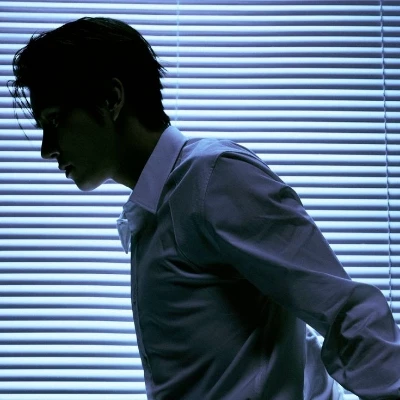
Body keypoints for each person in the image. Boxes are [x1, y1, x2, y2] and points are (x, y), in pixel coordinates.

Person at [8, 16, 400, 400]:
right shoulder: (154, 210)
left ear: (111, 100)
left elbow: (341, 310)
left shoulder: (212, 178)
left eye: (54, 121)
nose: (47, 149)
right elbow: (279, 336)